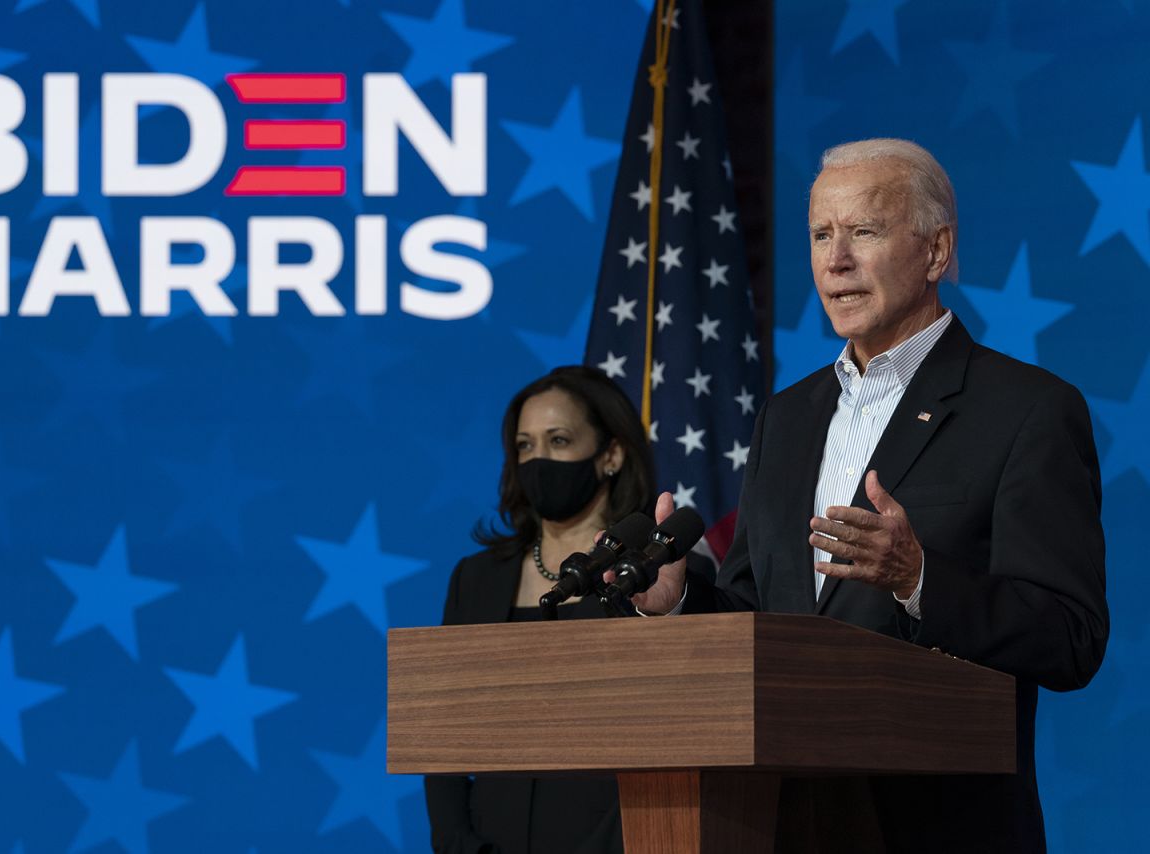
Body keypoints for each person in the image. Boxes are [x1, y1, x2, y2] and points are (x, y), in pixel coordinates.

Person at [634, 138, 1108, 852]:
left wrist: (919, 580)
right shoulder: (785, 420)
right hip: (777, 824)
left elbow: (1070, 638)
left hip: (940, 829)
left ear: (937, 252)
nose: (835, 260)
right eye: (822, 235)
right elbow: (756, 617)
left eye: (864, 231)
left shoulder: (1026, 410)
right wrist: (679, 602)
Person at [425, 365, 710, 854]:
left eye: (558, 441)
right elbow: (442, 736)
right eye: (525, 446)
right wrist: (459, 843)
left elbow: (685, 727)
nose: (538, 460)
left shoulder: (662, 574)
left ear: (611, 454)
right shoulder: (475, 578)